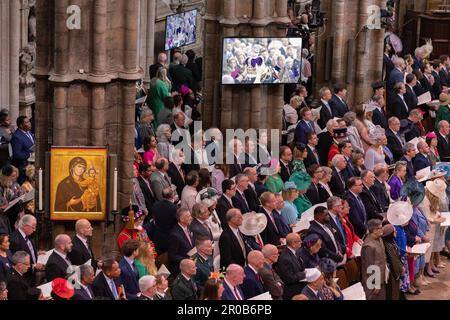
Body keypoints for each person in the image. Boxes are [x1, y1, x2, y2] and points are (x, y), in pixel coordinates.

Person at [419, 179, 447, 278]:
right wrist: (437, 220)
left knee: (430, 249)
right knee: (426, 250)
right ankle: (424, 272)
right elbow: (427, 217)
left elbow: (434, 211)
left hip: (432, 227)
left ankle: (429, 266)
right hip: (426, 228)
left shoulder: (432, 198)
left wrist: (438, 215)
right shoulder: (425, 200)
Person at [9, 215, 43, 286]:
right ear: (25, 226)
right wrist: (33, 266)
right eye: (33, 227)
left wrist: (36, 253)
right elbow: (17, 262)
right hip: (24, 278)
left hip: (31, 276)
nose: (34, 229)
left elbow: (26, 251)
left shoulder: (26, 235)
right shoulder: (15, 240)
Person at [361, 219, 387, 300]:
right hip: (373, 282)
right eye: (380, 228)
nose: (382, 229)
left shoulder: (379, 238)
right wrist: (376, 284)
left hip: (380, 277)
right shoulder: (368, 246)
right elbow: (369, 267)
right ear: (374, 230)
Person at [277, 233, 306, 300]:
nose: (301, 242)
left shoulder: (295, 251)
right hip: (294, 289)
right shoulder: (285, 258)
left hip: (300, 282)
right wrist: (304, 273)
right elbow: (289, 278)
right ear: (293, 244)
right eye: (299, 241)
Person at [168, 209, 194, 276]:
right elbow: (172, 256)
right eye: (188, 216)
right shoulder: (175, 235)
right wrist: (187, 259)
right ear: (182, 219)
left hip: (192, 262)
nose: (191, 218)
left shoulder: (188, 227)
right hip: (181, 268)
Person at [152, 187, 178, 255]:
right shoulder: (174, 208)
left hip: (158, 237)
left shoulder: (155, 205)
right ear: (172, 195)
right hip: (170, 238)